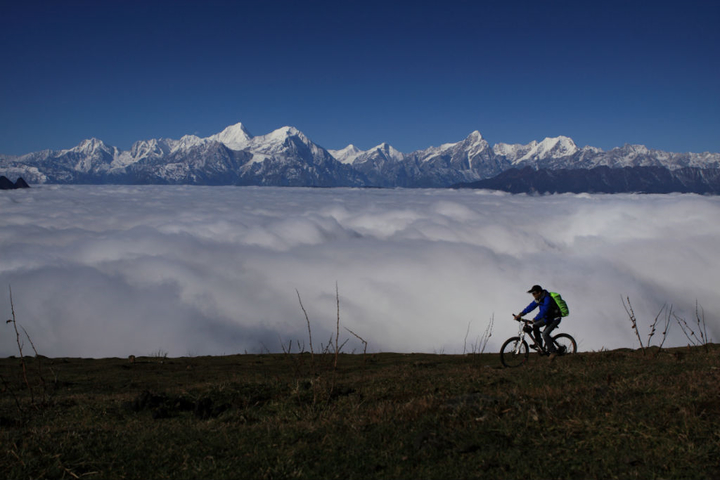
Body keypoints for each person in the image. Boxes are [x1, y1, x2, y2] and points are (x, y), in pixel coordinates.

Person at [514, 285, 562, 359]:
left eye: (534, 293)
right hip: (547, 318)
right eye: (532, 294)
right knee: (535, 325)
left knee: (545, 334)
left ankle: (553, 352)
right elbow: (530, 307)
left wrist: (535, 319)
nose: (533, 295)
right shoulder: (539, 299)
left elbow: (544, 311)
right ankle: (539, 344)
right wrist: (520, 314)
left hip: (555, 318)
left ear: (539, 293)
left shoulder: (547, 298)